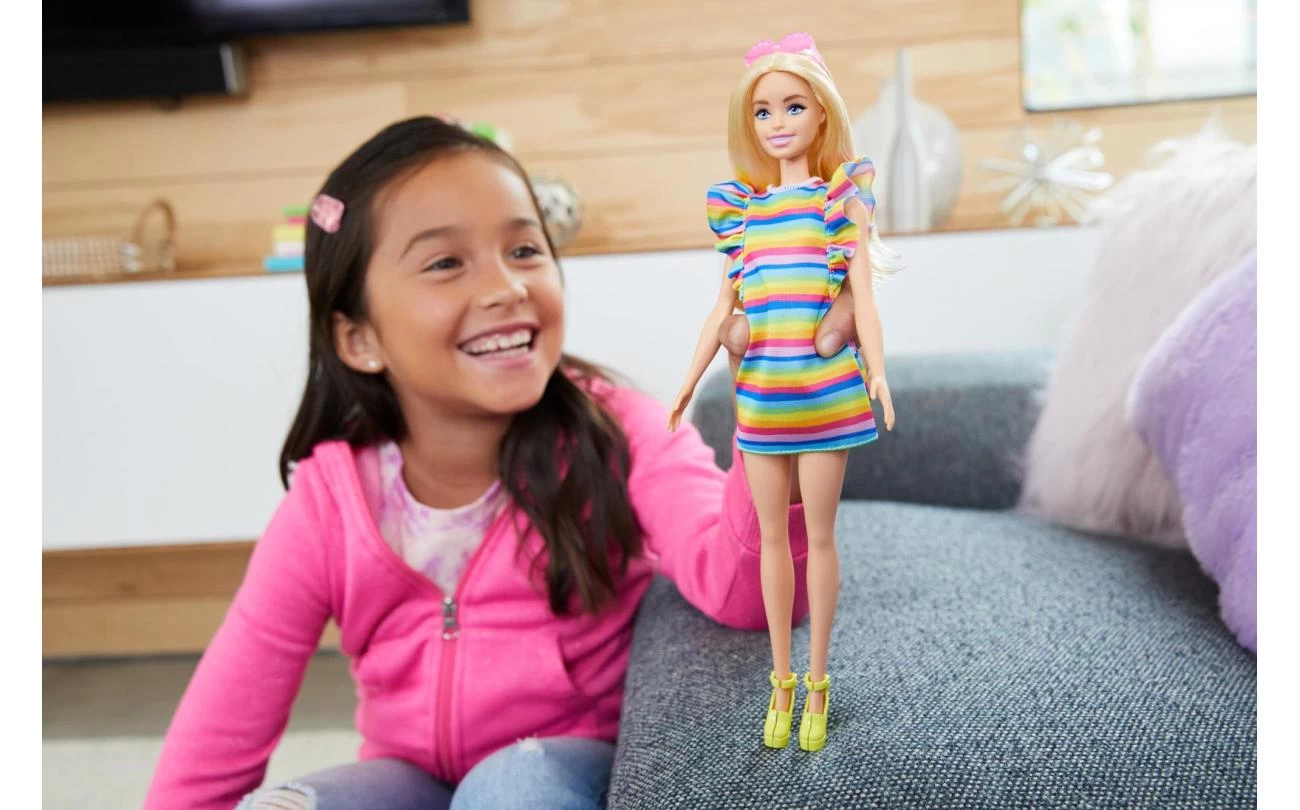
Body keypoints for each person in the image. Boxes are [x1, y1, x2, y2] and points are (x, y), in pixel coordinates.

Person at [144, 114, 861, 810]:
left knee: (509, 791)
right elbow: (221, 728)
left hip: (556, 766)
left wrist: (780, 426)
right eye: (445, 263)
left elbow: (744, 593)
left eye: (524, 251)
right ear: (360, 338)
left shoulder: (622, 433)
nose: (506, 288)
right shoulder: (329, 501)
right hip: (404, 778)